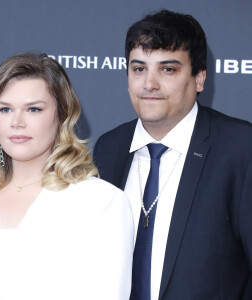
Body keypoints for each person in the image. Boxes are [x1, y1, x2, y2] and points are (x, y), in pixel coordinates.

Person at [94, 9, 252, 300]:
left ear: (199, 79)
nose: (149, 84)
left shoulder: (241, 148)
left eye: (168, 69)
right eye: (139, 69)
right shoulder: (108, 148)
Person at [0, 53, 134, 300]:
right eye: (5, 109)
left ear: (61, 115)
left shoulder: (101, 201)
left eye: (33, 109)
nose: (17, 122)